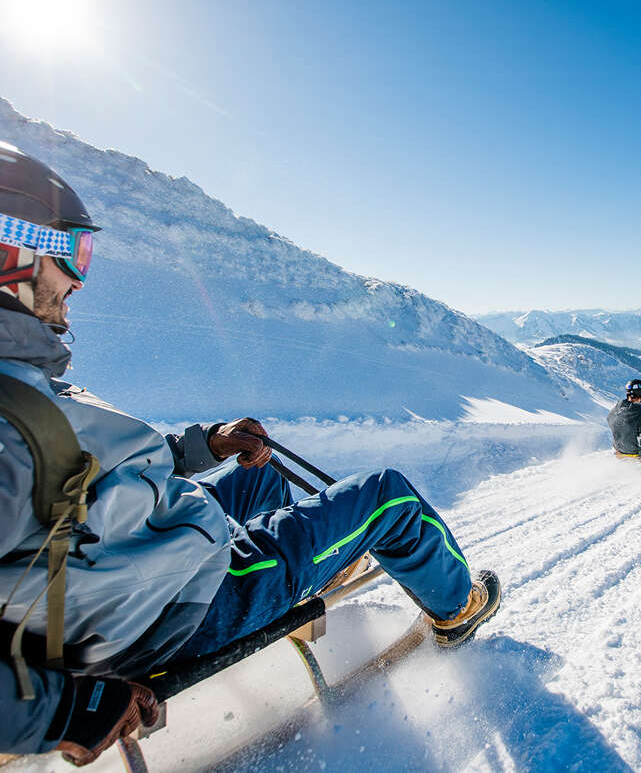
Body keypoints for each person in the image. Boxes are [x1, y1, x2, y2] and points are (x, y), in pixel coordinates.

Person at [0, 143, 500, 764]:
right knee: (388, 496)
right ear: (9, 250)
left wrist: (205, 444)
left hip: (129, 574)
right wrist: (59, 710)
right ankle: (458, 609)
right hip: (177, 610)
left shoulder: (25, 379)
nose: (79, 277)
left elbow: (98, 466)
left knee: (256, 476)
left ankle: (315, 562)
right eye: (71, 251)